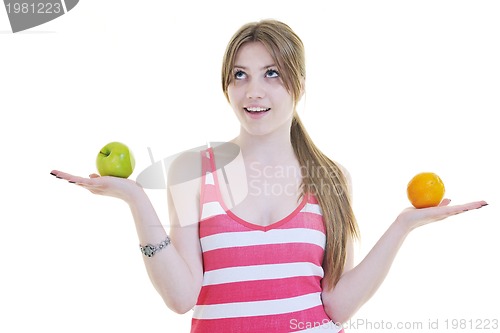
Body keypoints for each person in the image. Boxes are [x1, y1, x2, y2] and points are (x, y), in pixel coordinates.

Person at [51, 19, 488, 332]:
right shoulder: (190, 170)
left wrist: (403, 226)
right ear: (227, 85)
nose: (253, 91)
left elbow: (336, 305)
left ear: (298, 84)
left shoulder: (331, 178)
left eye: (271, 74)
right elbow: (181, 298)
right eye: (239, 75)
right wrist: (136, 200)